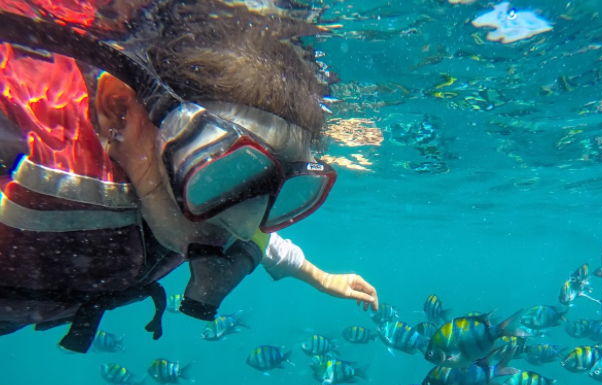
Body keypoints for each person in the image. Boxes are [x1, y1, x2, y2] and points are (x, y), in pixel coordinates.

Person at [0, 0, 378, 352]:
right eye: (225, 175)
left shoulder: (211, 208)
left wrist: (319, 277)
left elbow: (256, 230)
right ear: (119, 111)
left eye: (278, 196)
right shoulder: (23, 159)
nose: (245, 227)